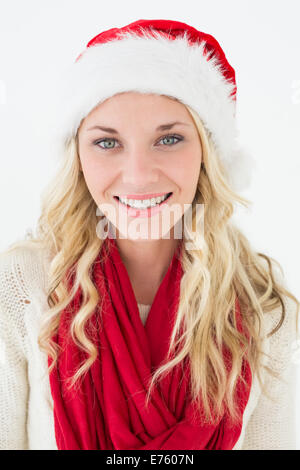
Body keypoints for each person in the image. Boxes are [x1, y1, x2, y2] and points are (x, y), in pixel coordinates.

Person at [0, 18, 299, 450]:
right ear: (78, 156)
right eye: (107, 142)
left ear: (206, 154)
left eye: (169, 139)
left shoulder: (262, 306)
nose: (138, 176)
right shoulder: (21, 286)